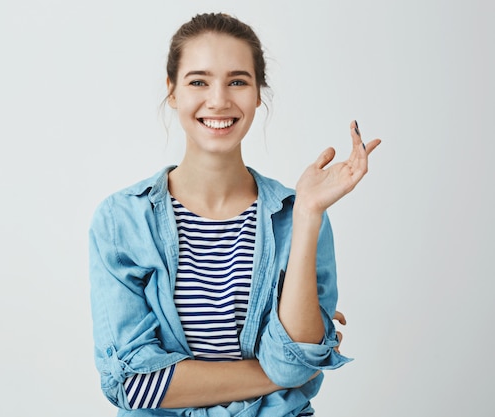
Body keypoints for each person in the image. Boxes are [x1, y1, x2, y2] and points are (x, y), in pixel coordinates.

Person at [89, 12, 381, 417]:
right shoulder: (122, 222)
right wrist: (288, 370)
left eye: (238, 81)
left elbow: (299, 348)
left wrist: (309, 213)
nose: (219, 100)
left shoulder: (295, 215)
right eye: (198, 81)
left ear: (258, 93)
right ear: (172, 90)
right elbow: (132, 383)